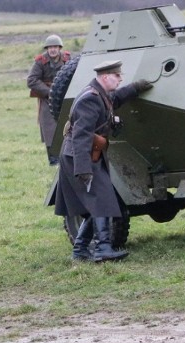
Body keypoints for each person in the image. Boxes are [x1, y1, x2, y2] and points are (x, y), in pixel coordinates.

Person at [53, 60, 153, 262]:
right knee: (102, 199)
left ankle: (80, 250)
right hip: (79, 157)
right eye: (117, 76)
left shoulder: (100, 95)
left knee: (98, 202)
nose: (121, 78)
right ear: (105, 77)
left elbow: (115, 99)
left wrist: (135, 88)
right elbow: (81, 136)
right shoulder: (90, 99)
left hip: (88, 155)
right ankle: (102, 249)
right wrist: (83, 170)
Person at [27, 34, 71, 166]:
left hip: (64, 96)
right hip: (47, 98)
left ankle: (67, 154)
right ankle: (53, 158)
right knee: (49, 128)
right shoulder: (40, 61)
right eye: (50, 47)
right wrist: (48, 92)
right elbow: (31, 80)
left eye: (55, 47)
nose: (52, 50)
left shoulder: (67, 59)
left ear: (59, 48)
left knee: (67, 125)